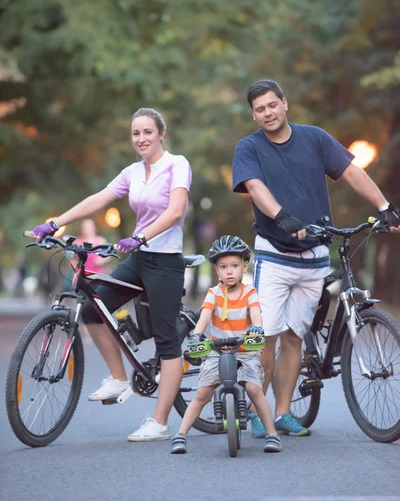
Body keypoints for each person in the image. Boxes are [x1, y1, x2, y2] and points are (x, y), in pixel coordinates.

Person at [232, 79, 400, 438]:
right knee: (268, 336)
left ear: (285, 104)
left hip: (314, 256)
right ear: (253, 114)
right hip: (274, 255)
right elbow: (256, 188)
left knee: (294, 336)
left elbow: (351, 171)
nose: (268, 113)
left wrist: (384, 207)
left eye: (272, 105)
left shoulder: (315, 138)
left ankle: (281, 414)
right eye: (260, 109)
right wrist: (281, 217)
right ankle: (257, 408)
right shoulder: (249, 148)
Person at [30, 107, 192, 442]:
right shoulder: (133, 172)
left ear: (161, 133)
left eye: (148, 132)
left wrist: (141, 236)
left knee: (167, 342)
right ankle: (119, 377)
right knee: (92, 309)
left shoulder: (178, 165)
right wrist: (56, 223)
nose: (141, 138)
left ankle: (160, 422)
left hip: (164, 261)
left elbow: (175, 211)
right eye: (135, 133)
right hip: (139, 258)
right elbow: (99, 198)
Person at [171, 235, 282, 454]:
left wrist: (257, 328)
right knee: (202, 392)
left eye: (234, 265)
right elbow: (204, 315)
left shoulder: (249, 292)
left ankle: (272, 433)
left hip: (245, 351)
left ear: (244, 265)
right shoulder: (214, 293)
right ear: (216, 270)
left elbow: (256, 313)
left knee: (253, 389)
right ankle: (180, 434)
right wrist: (197, 333)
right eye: (223, 267)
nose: (229, 271)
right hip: (217, 351)